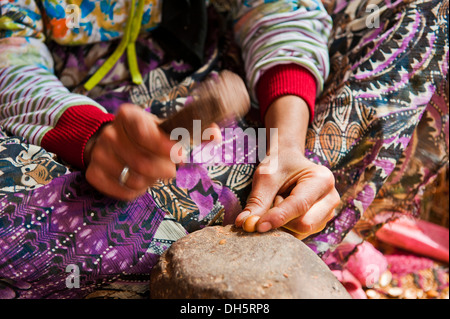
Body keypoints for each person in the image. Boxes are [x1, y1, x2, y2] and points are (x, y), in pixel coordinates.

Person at [0, 0, 447, 299]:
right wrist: (92, 136)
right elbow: (10, 58)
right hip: (55, 107)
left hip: (210, 69)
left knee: (425, 18)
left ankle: (292, 195)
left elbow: (279, 8)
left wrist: (287, 143)